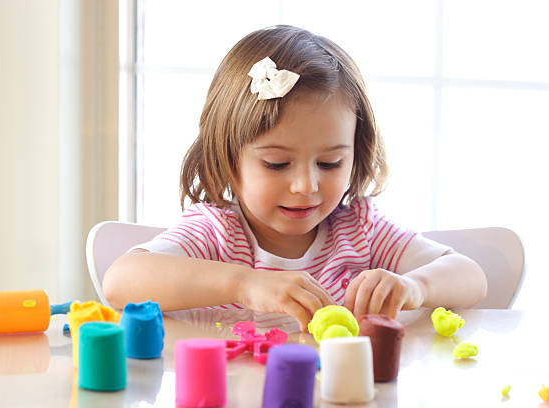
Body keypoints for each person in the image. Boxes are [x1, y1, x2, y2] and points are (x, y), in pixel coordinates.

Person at [103, 25, 487, 331]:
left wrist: (414, 287)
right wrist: (243, 284)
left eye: (330, 163)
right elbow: (120, 281)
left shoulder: (358, 231)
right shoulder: (217, 235)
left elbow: (470, 276)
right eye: (276, 164)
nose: (306, 186)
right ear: (228, 157)